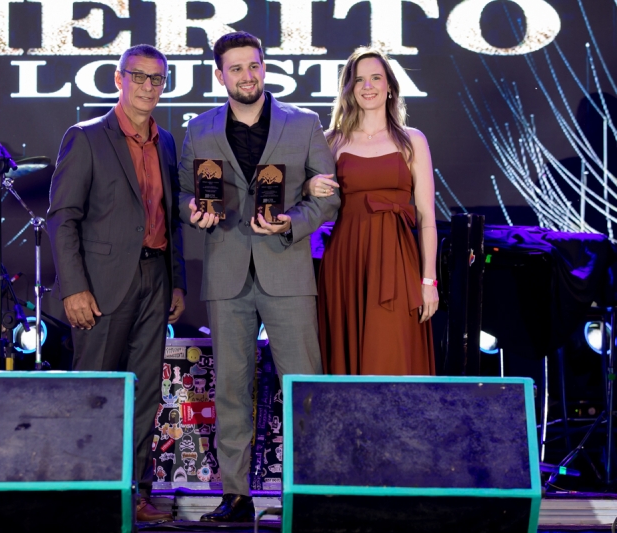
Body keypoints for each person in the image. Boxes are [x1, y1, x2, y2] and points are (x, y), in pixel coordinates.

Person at [178, 31, 339, 522]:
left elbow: (328, 196)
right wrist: (193, 210)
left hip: (286, 269)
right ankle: (236, 495)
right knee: (230, 388)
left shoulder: (304, 122)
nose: (247, 76)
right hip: (226, 274)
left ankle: (309, 493)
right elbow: (183, 194)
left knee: (302, 386)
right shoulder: (199, 128)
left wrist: (292, 221)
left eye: (254, 66)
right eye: (236, 69)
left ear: (264, 67)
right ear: (219, 75)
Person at [46, 44, 186, 523]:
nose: (148, 86)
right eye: (138, 76)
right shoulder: (86, 137)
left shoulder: (167, 142)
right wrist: (73, 287)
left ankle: (134, 494)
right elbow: (63, 218)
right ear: (118, 79)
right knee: (96, 390)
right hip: (101, 285)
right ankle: (87, 496)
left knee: (145, 393)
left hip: (155, 279)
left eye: (157, 79)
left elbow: (171, 220)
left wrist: (177, 283)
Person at [305, 46, 438, 375]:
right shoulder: (330, 141)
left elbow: (426, 218)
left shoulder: (412, 140)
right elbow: (305, 198)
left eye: (376, 78)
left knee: (394, 353)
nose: (367, 86)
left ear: (389, 86)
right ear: (349, 88)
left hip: (398, 260)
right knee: (347, 358)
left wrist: (429, 281)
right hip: (345, 260)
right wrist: (308, 187)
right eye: (359, 79)